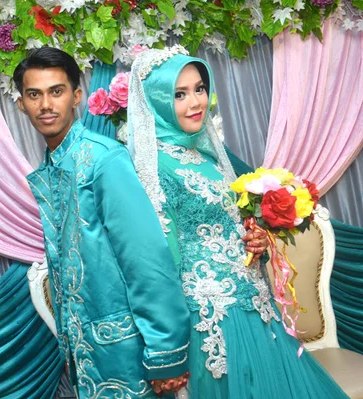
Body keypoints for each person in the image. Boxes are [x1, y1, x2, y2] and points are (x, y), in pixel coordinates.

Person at [126, 45, 349, 398]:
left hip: (254, 306)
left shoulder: (209, 156)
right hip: (209, 318)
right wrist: (169, 344)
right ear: (156, 101)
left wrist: (254, 242)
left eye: (199, 88)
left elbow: (226, 224)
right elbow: (159, 261)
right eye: (179, 94)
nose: (196, 102)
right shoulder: (152, 168)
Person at [13, 47, 190, 398]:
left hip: (128, 353)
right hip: (87, 354)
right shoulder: (51, 167)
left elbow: (146, 260)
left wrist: (165, 353)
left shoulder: (103, 159)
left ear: (76, 96)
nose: (46, 104)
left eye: (57, 91)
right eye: (34, 94)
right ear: (21, 104)